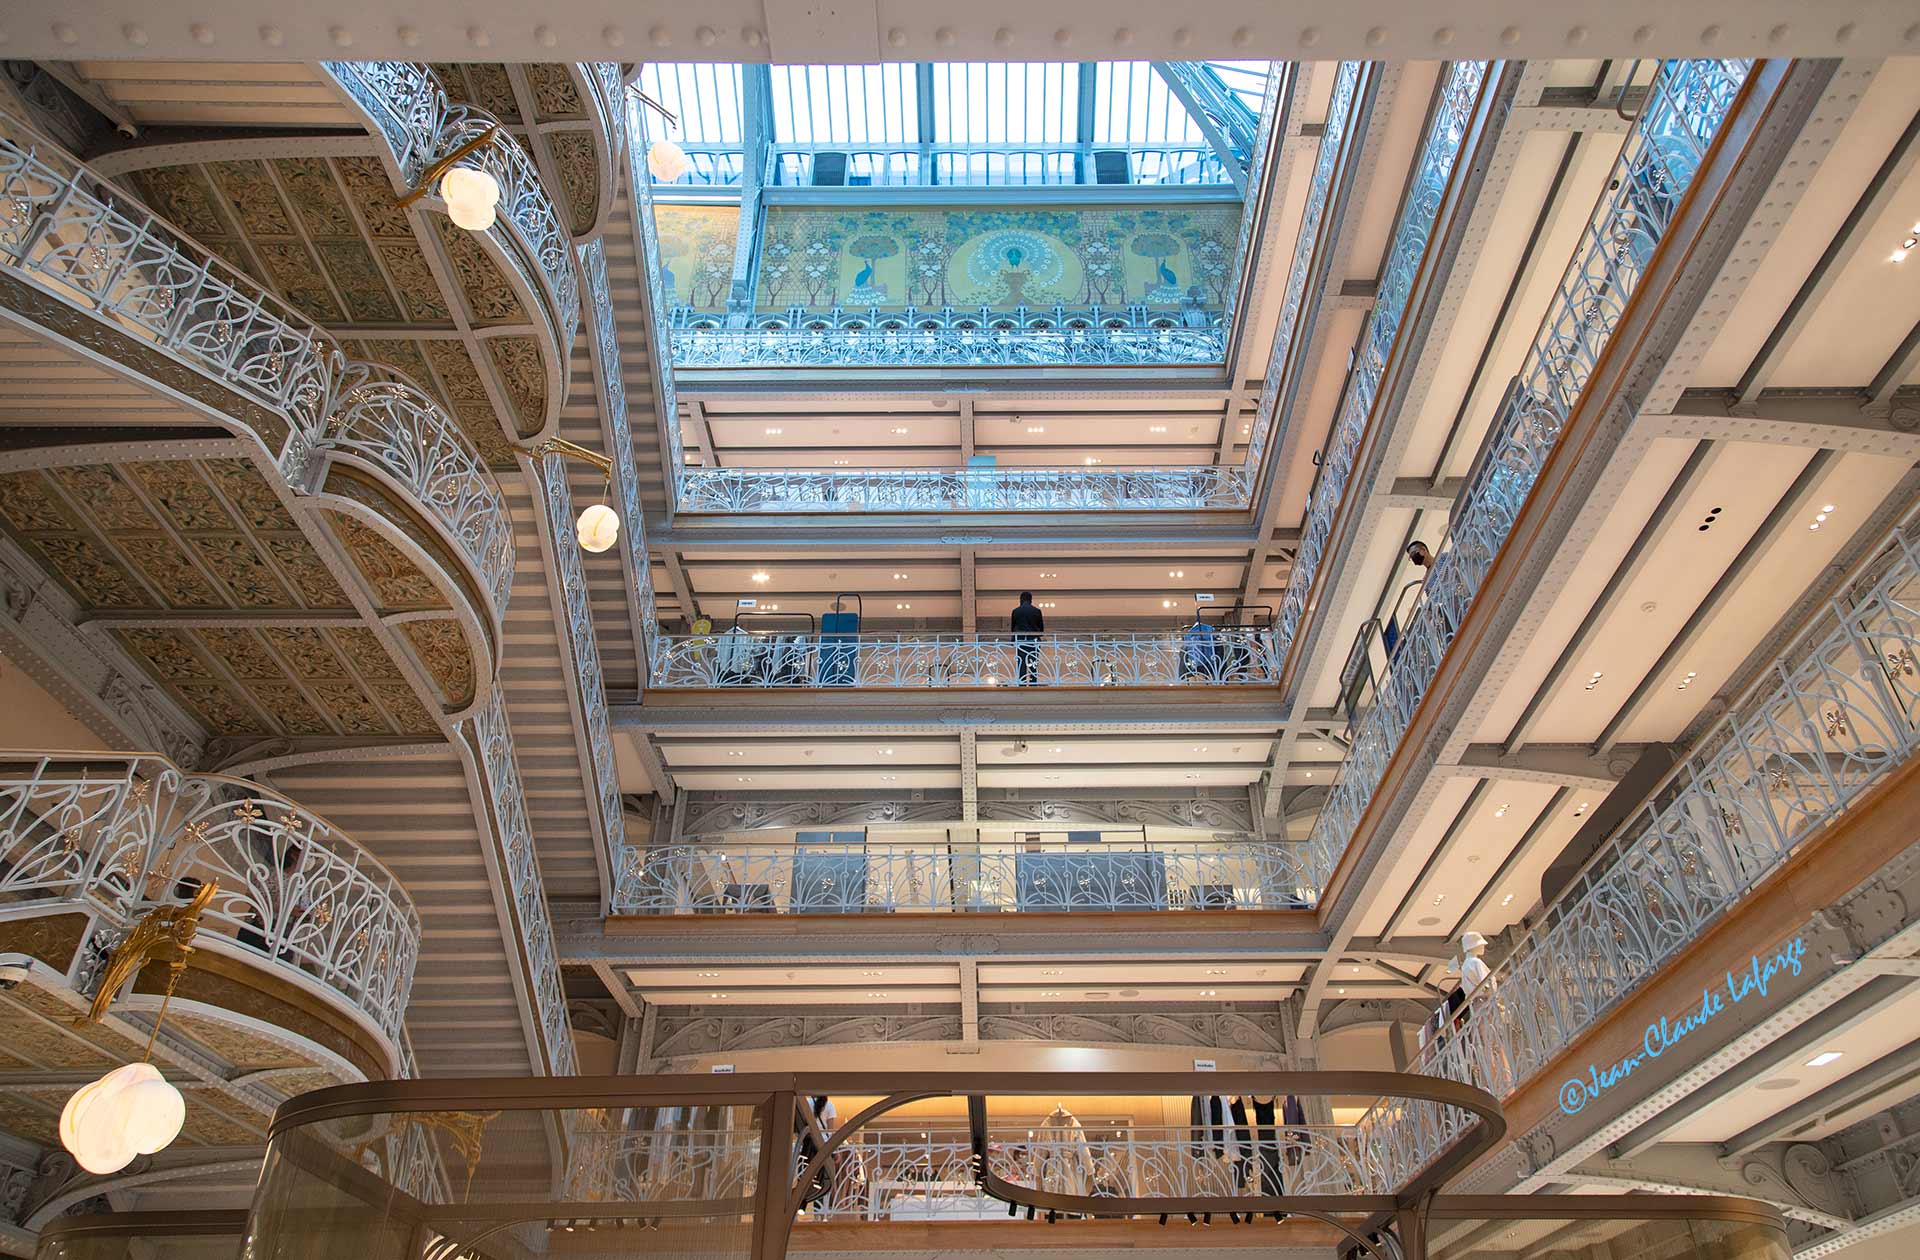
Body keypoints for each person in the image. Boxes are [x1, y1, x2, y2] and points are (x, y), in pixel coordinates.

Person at [1011, 591, 1044, 685]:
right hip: (1033, 642)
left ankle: (1021, 683)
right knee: (1033, 664)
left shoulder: (1016, 611)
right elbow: (1041, 630)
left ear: (1021, 599)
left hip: (1020, 641)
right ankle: (1033, 683)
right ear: (1031, 600)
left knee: (1021, 664)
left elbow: (1013, 629)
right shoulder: (1037, 611)